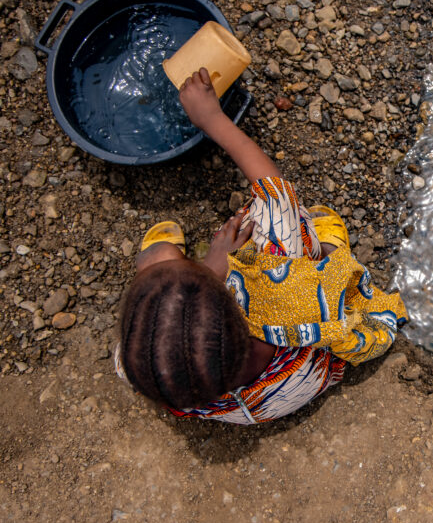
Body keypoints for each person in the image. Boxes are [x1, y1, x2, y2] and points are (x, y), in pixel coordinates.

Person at [115, 68, 407, 424]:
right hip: (296, 374)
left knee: (156, 258)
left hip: (250, 406)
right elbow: (275, 193)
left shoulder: (152, 372)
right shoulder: (281, 303)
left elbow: (160, 345)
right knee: (307, 241)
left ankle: (164, 260)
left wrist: (204, 271)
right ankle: (328, 245)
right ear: (234, 297)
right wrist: (211, 118)